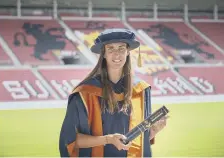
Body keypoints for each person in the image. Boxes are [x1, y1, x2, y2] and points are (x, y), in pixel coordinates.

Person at [59, 28, 168, 157]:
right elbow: (70, 140)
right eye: (111, 48)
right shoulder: (84, 93)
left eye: (121, 48)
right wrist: (108, 139)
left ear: (128, 52)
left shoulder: (141, 90)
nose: (117, 54)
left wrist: (153, 131)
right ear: (103, 53)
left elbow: (138, 142)